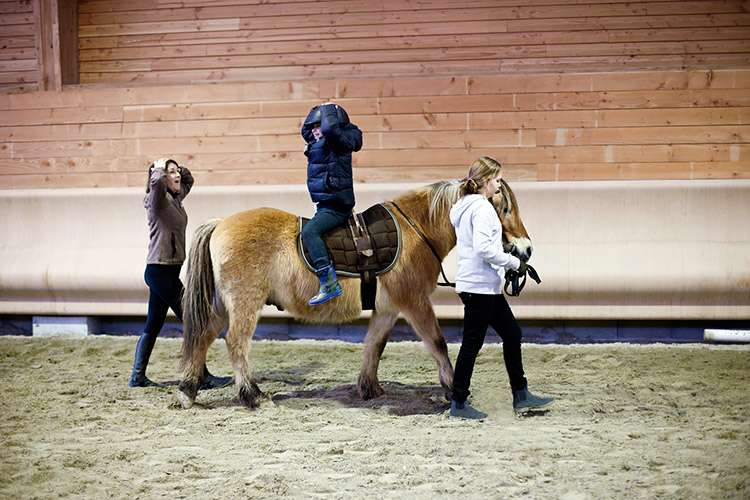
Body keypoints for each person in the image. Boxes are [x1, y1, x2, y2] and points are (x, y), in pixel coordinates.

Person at [448, 156, 554, 419]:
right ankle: (459, 403)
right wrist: (514, 262)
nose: (499, 184)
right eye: (496, 179)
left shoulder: (464, 206)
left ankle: (521, 394)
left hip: (484, 286)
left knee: (512, 334)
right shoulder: (482, 209)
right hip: (480, 288)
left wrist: (504, 265)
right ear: (484, 181)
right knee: (472, 345)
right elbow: (485, 249)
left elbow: (481, 248)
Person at [128, 158, 233, 389]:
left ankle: (137, 377)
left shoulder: (174, 199)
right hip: (160, 272)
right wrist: (158, 169)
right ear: (161, 178)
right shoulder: (156, 201)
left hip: (167, 272)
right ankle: (200, 376)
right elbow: (155, 184)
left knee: (153, 324)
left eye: (176, 172)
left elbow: (188, 180)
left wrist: (175, 171)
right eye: (171, 173)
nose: (177, 176)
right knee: (195, 320)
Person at [300, 102, 363, 305]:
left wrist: (328, 109)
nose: (315, 132)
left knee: (309, 233)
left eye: (319, 126)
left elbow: (331, 130)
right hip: (325, 205)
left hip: (337, 207)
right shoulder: (319, 145)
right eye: (313, 128)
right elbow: (306, 132)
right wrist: (314, 115)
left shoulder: (338, 143)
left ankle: (328, 283)